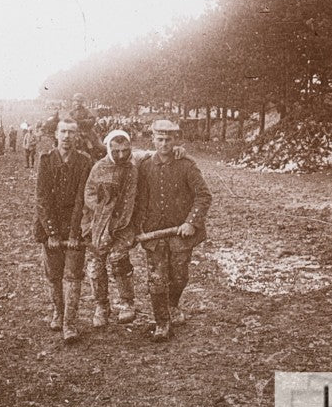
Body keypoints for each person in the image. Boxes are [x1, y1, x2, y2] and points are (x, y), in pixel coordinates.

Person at [134, 119, 212, 342]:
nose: (164, 144)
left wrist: (191, 222)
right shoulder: (144, 165)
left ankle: (172, 305)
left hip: (180, 233)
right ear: (153, 140)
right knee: (157, 278)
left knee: (179, 277)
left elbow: (203, 195)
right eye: (160, 139)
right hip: (153, 233)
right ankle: (162, 323)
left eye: (169, 139)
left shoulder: (187, 165)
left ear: (176, 140)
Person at [35, 118, 93, 343]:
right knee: (54, 274)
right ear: (56, 134)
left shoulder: (84, 161)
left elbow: (82, 198)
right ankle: (58, 312)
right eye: (63, 132)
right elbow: (42, 198)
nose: (67, 136)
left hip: (75, 223)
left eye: (71, 132)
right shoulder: (46, 160)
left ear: (77, 135)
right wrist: (51, 233)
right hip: (49, 222)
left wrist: (75, 233)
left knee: (73, 275)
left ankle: (70, 322)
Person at [82, 129, 140, 328]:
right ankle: (101, 305)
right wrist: (100, 210)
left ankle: (126, 302)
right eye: (116, 151)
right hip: (98, 225)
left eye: (125, 150)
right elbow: (89, 193)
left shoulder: (132, 168)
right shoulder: (98, 168)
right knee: (96, 266)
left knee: (119, 260)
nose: (121, 155)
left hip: (123, 225)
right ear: (109, 149)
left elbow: (129, 201)